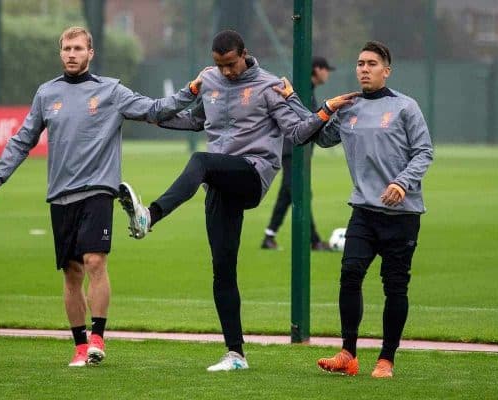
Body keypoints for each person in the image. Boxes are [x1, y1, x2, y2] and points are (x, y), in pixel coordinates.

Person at [117, 30, 357, 371]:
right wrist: (148, 115)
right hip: (219, 180)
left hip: (252, 174)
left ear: (244, 54)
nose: (226, 71)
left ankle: (149, 217)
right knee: (222, 270)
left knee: (200, 161)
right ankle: (236, 354)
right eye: (219, 65)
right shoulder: (210, 80)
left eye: (230, 64)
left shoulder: (270, 86)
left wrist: (325, 109)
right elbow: (196, 120)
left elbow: (297, 133)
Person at [0, 26, 204, 367]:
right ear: (61, 53)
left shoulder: (111, 91)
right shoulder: (46, 94)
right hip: (60, 195)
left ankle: (98, 337)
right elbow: (23, 139)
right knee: (71, 274)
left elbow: (156, 110)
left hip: (99, 190)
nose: (71, 53)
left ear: (90, 53)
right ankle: (80, 346)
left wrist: (190, 90)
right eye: (66, 48)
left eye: (78, 48)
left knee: (95, 262)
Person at [278, 41, 433, 378]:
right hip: (363, 211)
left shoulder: (406, 107)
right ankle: (348, 354)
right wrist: (296, 100)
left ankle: (386, 359)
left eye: (372, 63)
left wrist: (401, 182)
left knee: (395, 288)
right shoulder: (348, 108)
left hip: (402, 215)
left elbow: (424, 152)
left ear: (386, 70)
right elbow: (316, 135)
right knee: (350, 275)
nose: (364, 68)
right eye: (360, 63)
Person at [261, 56, 336, 251]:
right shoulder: (301, 89)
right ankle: (314, 240)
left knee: (288, 192)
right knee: (300, 192)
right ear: (317, 69)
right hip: (292, 149)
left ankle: (269, 236)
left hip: (296, 149)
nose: (328, 73)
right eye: (326, 69)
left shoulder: (307, 89)